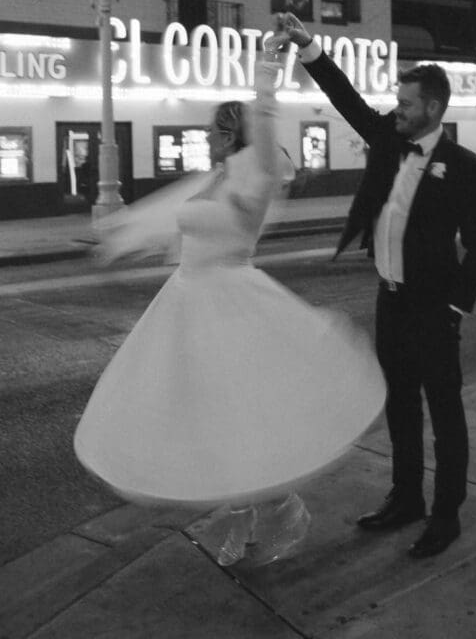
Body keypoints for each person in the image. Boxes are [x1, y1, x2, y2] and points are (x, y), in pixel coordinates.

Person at [74, 58, 385, 567]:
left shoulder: (255, 175)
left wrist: (267, 72)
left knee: (243, 412)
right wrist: (118, 240)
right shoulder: (215, 176)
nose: (206, 140)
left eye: (212, 133)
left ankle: (280, 510)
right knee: (211, 414)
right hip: (186, 302)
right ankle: (242, 513)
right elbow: (167, 217)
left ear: (229, 134)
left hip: (234, 303)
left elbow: (265, 120)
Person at [272, 13, 476, 559]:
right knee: (399, 406)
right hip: (390, 301)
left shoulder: (464, 167)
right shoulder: (390, 139)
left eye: (408, 102)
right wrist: (307, 46)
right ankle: (406, 498)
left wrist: (454, 308)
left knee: (444, 411)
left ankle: (445, 514)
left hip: (432, 307)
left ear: (434, 109)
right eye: (398, 99)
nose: (398, 108)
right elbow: (347, 100)